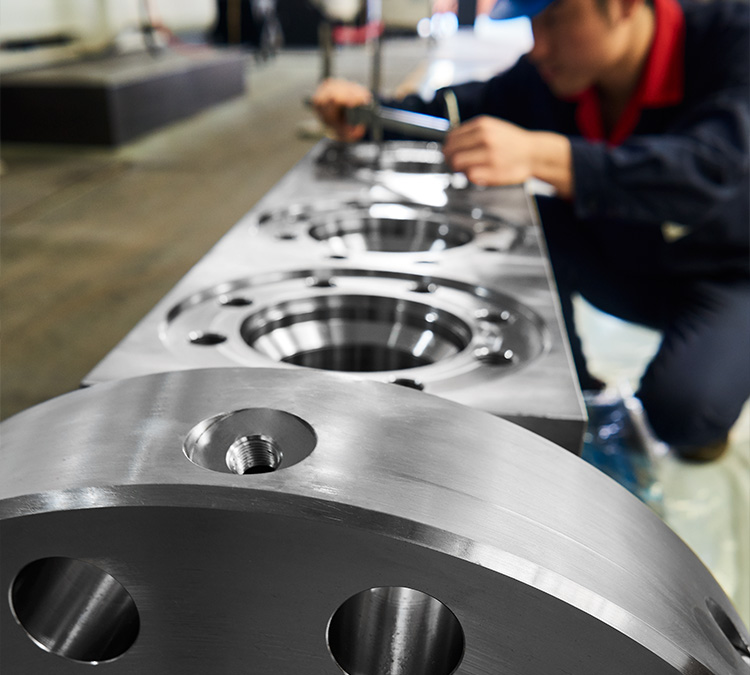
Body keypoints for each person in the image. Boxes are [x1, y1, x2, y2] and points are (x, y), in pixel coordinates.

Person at [312, 0, 750, 461]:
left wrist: (544, 155)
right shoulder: (558, 73)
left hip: (726, 271)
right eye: (533, 24)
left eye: (555, 19)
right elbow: (466, 110)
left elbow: (711, 168)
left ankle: (704, 418)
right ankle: (579, 393)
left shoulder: (732, 40)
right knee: (524, 222)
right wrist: (373, 114)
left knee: (685, 410)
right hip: (628, 254)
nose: (538, 47)